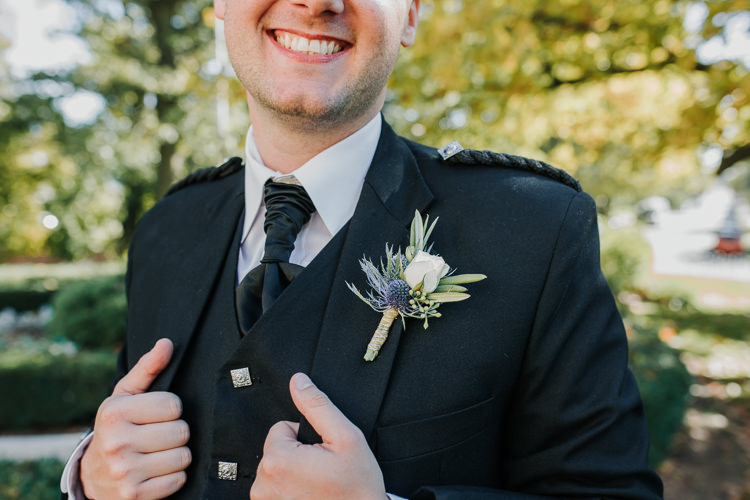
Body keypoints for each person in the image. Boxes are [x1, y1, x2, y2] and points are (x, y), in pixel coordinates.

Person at [62, 0, 664, 498]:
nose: (318, 2)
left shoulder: (537, 230)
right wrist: (90, 477)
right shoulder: (167, 227)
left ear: (410, 15)